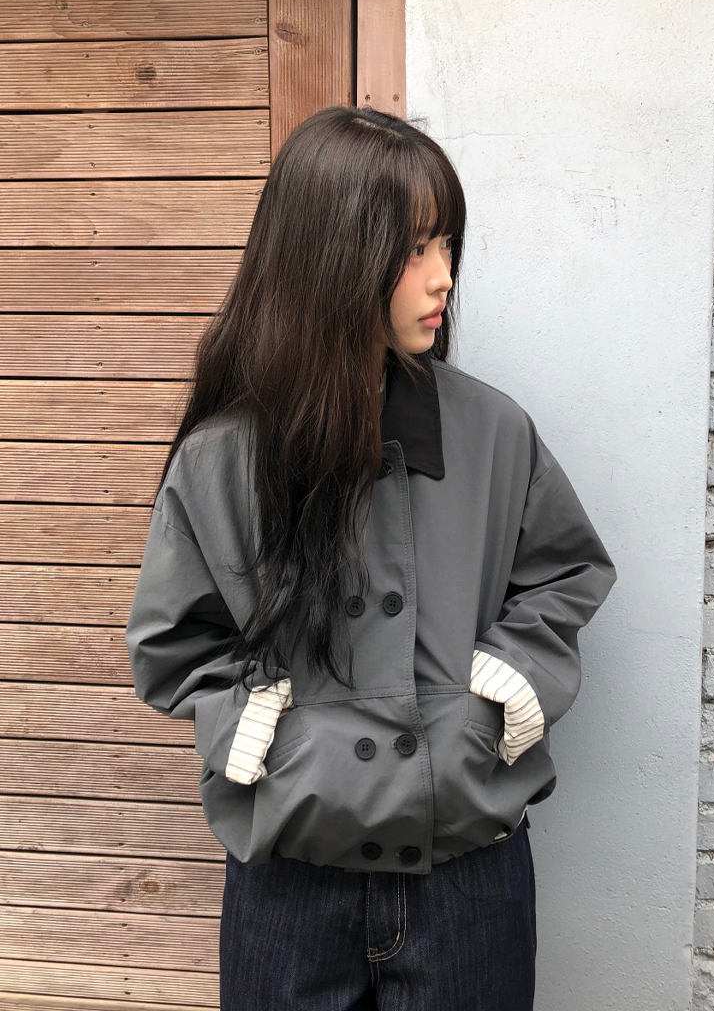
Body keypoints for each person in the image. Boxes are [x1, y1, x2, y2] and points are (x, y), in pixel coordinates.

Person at [125, 105, 618, 1011]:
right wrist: (267, 738)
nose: (444, 276)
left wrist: (502, 690)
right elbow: (175, 643)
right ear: (332, 257)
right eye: (414, 248)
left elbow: (565, 571)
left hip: (467, 879)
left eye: (447, 243)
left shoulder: (493, 432)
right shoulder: (224, 459)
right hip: (290, 881)